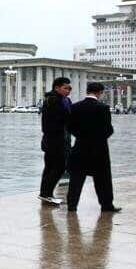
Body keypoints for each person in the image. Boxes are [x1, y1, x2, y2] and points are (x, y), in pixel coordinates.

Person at [66, 82, 120, 213]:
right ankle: (106, 205)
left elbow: (70, 127)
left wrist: (82, 136)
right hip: (99, 149)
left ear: (87, 91)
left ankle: (72, 205)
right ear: (100, 92)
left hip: (80, 146)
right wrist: (98, 138)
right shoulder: (103, 108)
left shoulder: (75, 107)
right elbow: (108, 130)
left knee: (76, 178)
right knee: (103, 179)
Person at [39, 77, 72, 205]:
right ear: (56, 88)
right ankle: (46, 194)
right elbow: (61, 118)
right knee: (57, 167)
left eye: (69, 88)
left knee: (51, 167)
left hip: (62, 139)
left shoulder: (65, 100)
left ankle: (45, 194)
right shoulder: (52, 100)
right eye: (65, 88)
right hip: (54, 139)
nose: (68, 91)